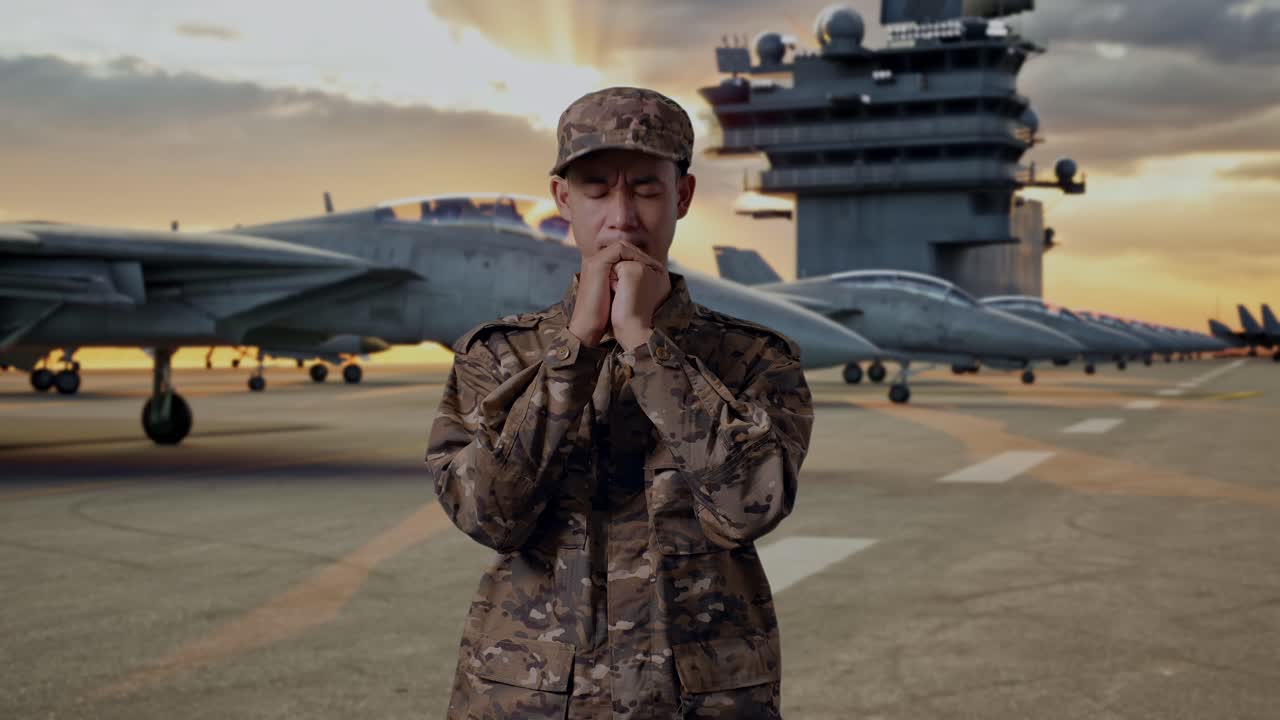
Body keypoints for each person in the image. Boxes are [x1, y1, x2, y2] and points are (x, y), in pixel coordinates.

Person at [425, 86, 813, 719]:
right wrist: (573, 350)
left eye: (647, 189)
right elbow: (491, 517)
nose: (623, 216)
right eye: (598, 189)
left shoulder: (755, 360)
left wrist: (644, 344)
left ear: (682, 197)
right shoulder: (500, 357)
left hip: (698, 700)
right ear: (562, 200)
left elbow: (747, 508)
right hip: (530, 696)